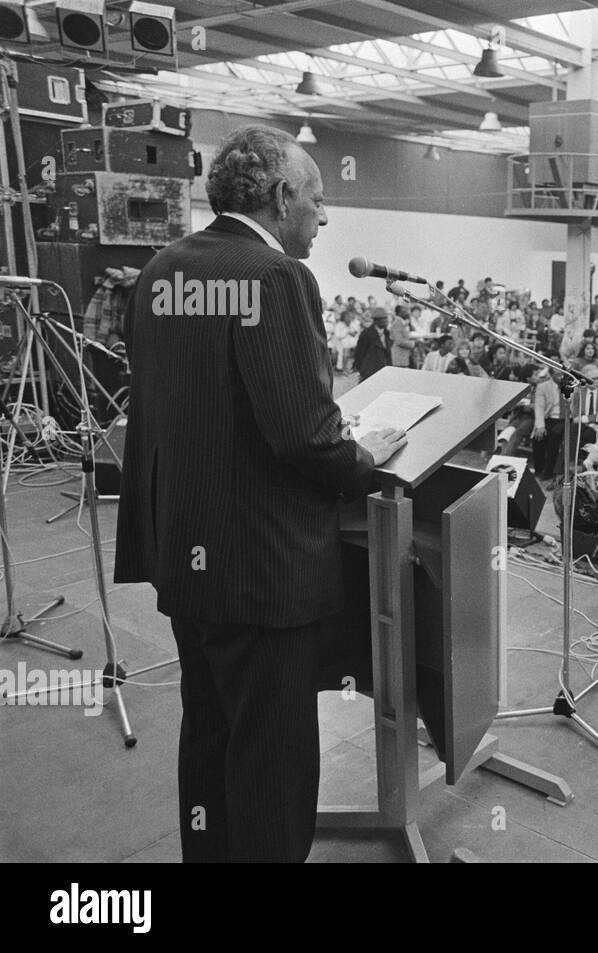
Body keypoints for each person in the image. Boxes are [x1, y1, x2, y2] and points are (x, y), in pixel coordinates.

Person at [114, 125, 407, 863]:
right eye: (317, 198)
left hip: (185, 555)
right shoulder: (275, 278)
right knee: (272, 768)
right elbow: (305, 435)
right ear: (281, 197)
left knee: (209, 739)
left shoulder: (163, 269)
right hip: (260, 570)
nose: (324, 215)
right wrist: (370, 458)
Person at [352, 306, 391, 381]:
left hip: (384, 371)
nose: (386, 321)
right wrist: (361, 371)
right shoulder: (366, 334)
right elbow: (359, 354)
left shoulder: (387, 333)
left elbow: (388, 354)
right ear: (376, 321)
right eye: (384, 319)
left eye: (386, 318)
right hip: (370, 372)